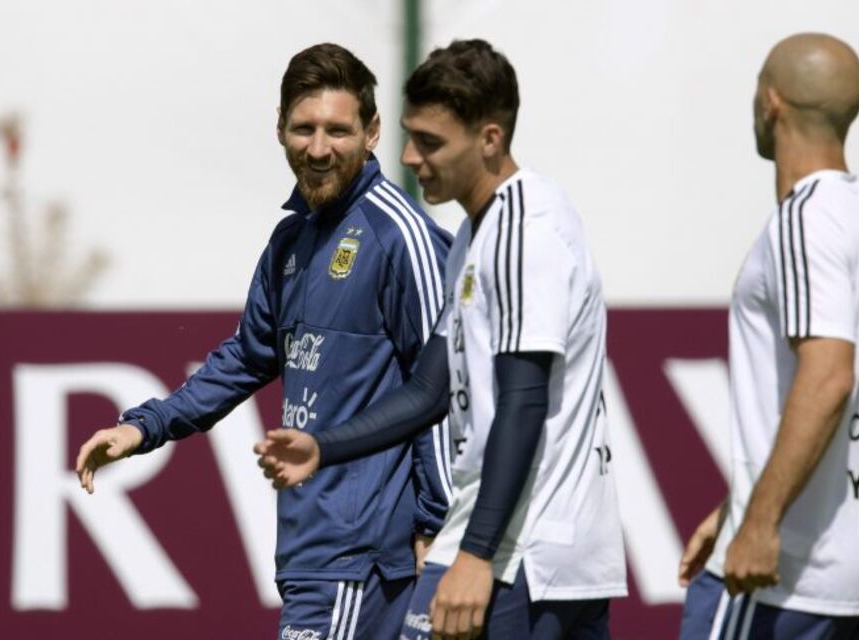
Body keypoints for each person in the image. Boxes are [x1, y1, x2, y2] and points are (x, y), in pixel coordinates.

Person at [75, 43, 453, 640]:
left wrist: (438, 528)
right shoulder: (290, 242)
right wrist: (143, 426)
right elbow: (246, 357)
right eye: (304, 128)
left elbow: (441, 390)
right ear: (279, 129)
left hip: (367, 559)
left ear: (373, 132)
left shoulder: (400, 235)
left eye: (337, 129)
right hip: (310, 549)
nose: (319, 148)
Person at [254, 39, 627, 639]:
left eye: (430, 142)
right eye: (410, 135)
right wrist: (324, 447)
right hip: (537, 552)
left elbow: (523, 401)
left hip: (521, 553)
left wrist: (478, 554)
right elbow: (429, 389)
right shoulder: (478, 236)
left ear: (489, 139)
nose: (410, 157)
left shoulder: (524, 230)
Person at [677, 33, 859, 639]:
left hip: (788, 573)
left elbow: (830, 377)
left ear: (770, 102)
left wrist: (759, 519)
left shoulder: (804, 217)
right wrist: (738, 504)